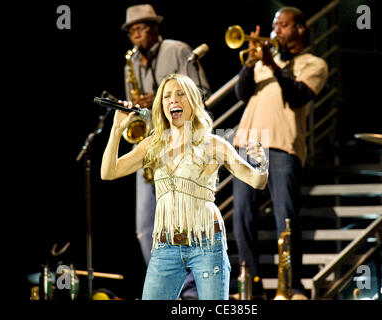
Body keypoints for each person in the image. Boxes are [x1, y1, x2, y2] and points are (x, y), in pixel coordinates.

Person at [101, 73, 268, 300]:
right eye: (167, 96)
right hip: (166, 247)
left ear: (193, 101)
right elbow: (108, 172)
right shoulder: (153, 144)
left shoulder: (213, 144)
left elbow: (257, 181)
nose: (173, 100)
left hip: (206, 243)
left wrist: (262, 162)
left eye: (180, 94)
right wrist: (116, 131)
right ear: (161, 105)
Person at [232, 6, 328, 299]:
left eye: (283, 25)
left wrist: (273, 65)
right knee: (242, 216)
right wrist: (250, 63)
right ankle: (251, 286)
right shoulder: (262, 61)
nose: (276, 31)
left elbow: (298, 96)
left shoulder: (314, 63)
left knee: (285, 217)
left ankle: (292, 286)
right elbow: (241, 93)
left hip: (283, 144)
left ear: (299, 28)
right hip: (248, 143)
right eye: (275, 26)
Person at [121, 4, 210, 299]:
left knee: (183, 222)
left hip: (180, 146)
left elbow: (203, 92)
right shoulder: (131, 64)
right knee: (145, 229)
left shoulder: (177, 49)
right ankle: (167, 288)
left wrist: (161, 99)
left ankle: (191, 293)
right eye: (131, 30)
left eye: (140, 28)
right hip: (149, 147)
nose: (135, 35)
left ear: (155, 28)